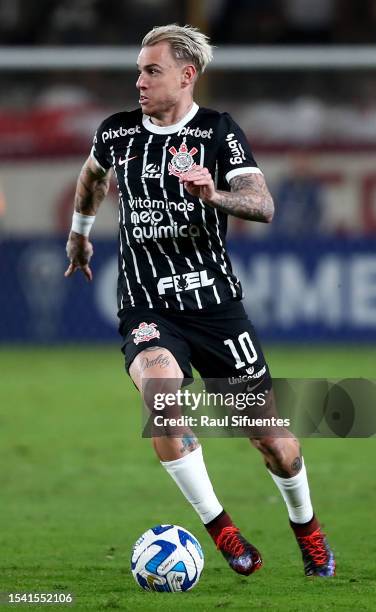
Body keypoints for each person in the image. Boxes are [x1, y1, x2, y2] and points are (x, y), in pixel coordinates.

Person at [64, 24, 335, 578]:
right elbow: (92, 176)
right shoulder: (117, 133)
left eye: (151, 70)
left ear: (187, 76)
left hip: (215, 308)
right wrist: (79, 230)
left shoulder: (218, 131)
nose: (138, 81)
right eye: (139, 70)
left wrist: (215, 194)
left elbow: (263, 204)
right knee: (162, 401)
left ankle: (308, 532)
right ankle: (223, 531)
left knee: (275, 444)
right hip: (146, 305)